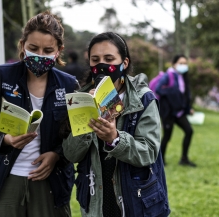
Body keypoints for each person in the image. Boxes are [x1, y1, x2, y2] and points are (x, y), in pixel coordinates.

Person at [0, 11, 78, 217]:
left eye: (48, 50)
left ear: (59, 50)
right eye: (33, 48)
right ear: (22, 45)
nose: (40, 55)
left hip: (50, 180)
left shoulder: (69, 85)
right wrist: (6, 140)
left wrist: (57, 155)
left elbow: (75, 134)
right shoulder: (0, 76)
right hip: (2, 178)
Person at [62, 32, 170, 217]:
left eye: (109, 58)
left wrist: (115, 139)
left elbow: (149, 152)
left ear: (124, 63)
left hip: (135, 201)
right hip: (97, 201)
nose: (101, 65)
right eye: (95, 59)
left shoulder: (143, 99)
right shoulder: (81, 98)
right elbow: (71, 154)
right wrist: (86, 121)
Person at [155, 54, 196, 167]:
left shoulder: (183, 77)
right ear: (174, 64)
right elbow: (158, 89)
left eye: (185, 63)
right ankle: (161, 161)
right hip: (168, 112)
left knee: (189, 131)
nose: (183, 65)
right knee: (167, 136)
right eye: (181, 63)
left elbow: (184, 95)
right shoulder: (168, 76)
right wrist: (172, 92)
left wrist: (188, 108)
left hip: (179, 112)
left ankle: (184, 159)